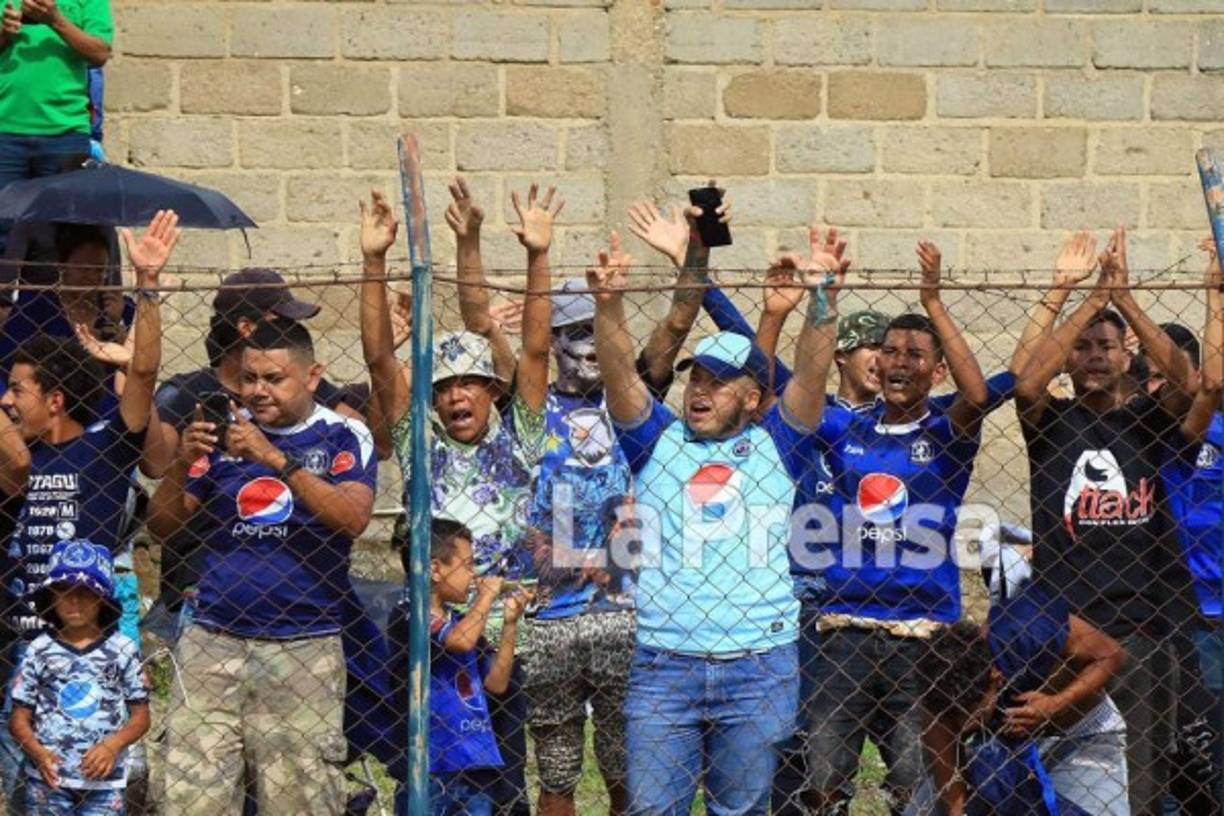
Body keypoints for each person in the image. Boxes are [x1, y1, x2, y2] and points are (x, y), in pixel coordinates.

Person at [588, 224, 846, 815]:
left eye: (719, 381)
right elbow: (621, 377)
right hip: (663, 664)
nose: (700, 390)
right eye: (695, 378)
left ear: (753, 397)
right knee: (653, 810)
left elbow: (810, 375)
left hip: (760, 666)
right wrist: (609, 306)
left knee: (744, 812)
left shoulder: (779, 445)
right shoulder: (656, 442)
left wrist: (823, 296)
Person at [359, 183, 556, 816]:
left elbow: (533, 347)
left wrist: (533, 257)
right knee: (425, 778)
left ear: (492, 392)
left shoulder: (520, 436)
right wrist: (372, 262)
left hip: (499, 640)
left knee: (502, 785)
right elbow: (380, 364)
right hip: (428, 638)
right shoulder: (420, 441)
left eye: (471, 382)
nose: (455, 396)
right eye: (444, 386)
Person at [800, 241, 1008, 816]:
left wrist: (933, 302)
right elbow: (787, 386)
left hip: (923, 638)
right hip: (845, 631)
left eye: (915, 354)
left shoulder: (946, 432)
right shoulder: (846, 428)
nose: (898, 362)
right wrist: (822, 299)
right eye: (890, 350)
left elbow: (981, 392)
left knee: (920, 788)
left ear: (935, 369)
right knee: (822, 781)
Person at [148, 318, 377, 816]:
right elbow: (162, 525)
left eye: (274, 379)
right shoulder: (224, 436)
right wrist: (179, 463)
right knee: (192, 798)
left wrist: (274, 458)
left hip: (303, 644)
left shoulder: (342, 435)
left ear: (312, 376)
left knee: (297, 799)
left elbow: (353, 518)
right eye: (249, 379)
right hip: (213, 640)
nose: (258, 391)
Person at [1013, 228, 1197, 816]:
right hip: (1065, 635)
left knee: (1138, 787)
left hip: (1138, 631)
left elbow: (1191, 384)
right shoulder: (1051, 424)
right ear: (1069, 357)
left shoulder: (1146, 423)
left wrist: (1127, 299)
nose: (1094, 355)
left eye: (1106, 347)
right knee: (1061, 783)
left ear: (1127, 359)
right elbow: (1024, 380)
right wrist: (1085, 298)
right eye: (1083, 346)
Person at [0, 212, 171, 812]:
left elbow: (144, 375)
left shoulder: (102, 447)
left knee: (95, 795)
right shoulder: (12, 463)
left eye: (16, 389)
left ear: (54, 398)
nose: (7, 399)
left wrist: (146, 287)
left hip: (89, 655)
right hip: (19, 654)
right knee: (26, 796)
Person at [149, 267, 365, 625]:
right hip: (203, 589)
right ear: (247, 328)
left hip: (297, 591)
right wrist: (183, 459)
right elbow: (154, 471)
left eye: (275, 379)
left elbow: (361, 435)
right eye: (280, 319)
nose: (292, 331)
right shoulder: (186, 395)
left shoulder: (309, 394)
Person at [521, 279, 635, 816]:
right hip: (552, 621)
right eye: (575, 331)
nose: (589, 343)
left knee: (625, 764)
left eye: (597, 330)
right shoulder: (533, 411)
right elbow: (524, 350)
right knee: (557, 768)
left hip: (625, 615)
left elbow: (674, 329)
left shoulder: (635, 407)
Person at [910, 583, 1128, 816]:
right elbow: (947, 768)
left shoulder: (1027, 625)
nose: (961, 725)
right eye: (954, 717)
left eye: (969, 714)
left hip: (1080, 736)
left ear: (995, 678)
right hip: (1002, 748)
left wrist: (1056, 704)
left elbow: (1112, 654)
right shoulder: (943, 687)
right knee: (921, 810)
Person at [8, 539, 149, 815]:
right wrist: (38, 753)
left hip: (105, 785)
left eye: (85, 591)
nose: (74, 600)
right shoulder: (40, 650)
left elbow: (141, 716)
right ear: (51, 597)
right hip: (49, 781)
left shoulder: (122, 650)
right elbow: (18, 719)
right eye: (63, 590)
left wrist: (112, 745)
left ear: (102, 598)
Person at [406, 519, 532, 816]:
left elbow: (497, 684)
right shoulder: (411, 613)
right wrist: (487, 596)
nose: (474, 575)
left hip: (474, 757)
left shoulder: (460, 620)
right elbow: (459, 642)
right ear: (435, 569)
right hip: (431, 761)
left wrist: (510, 625)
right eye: (467, 565)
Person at [0, 0, 111, 257]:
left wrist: (56, 20)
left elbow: (100, 53)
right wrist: (4, 35)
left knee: (61, 232)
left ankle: (49, 298)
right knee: (2, 231)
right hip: (5, 130)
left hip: (66, 133)